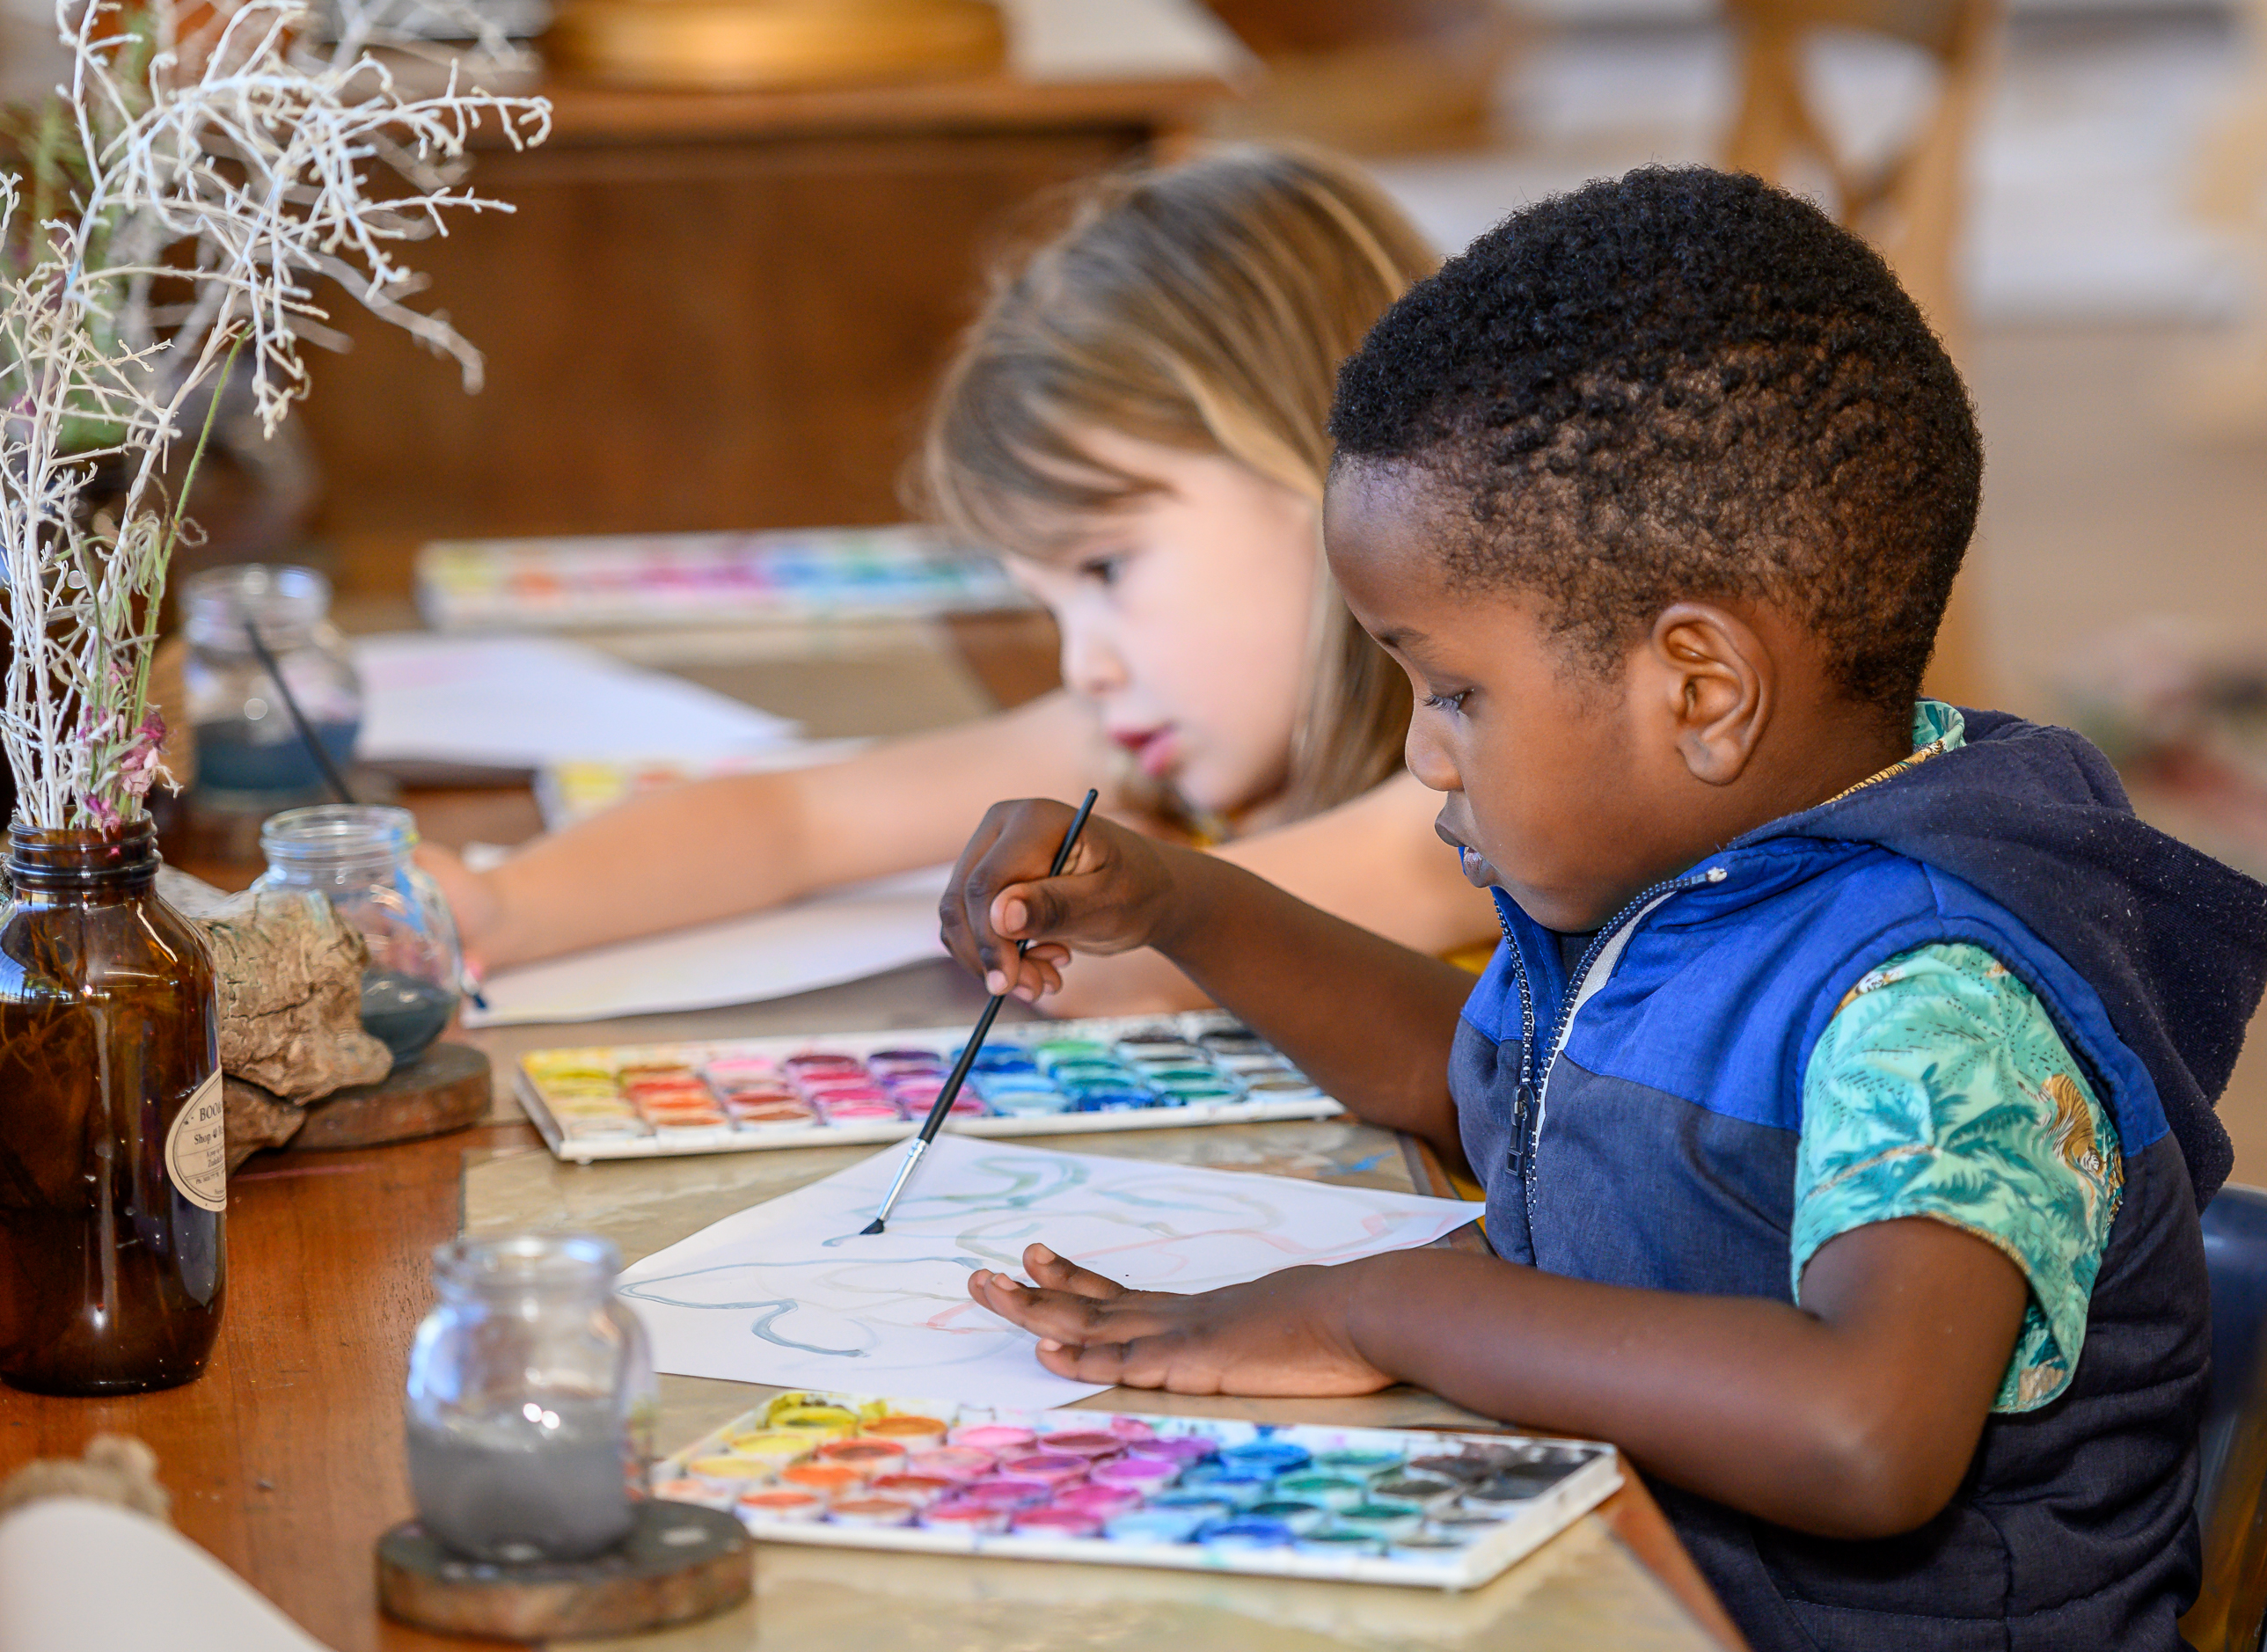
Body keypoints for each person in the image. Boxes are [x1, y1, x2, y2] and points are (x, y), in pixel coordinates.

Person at [940, 167, 2267, 1652]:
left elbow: (1865, 1430)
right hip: (1637, 1637)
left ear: (1699, 691)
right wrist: (1185, 904)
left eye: (1450, 692)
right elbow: (1488, 1088)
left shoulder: (1933, 999)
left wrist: (1380, 1309)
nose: (1424, 755)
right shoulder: (1689, 875)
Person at [426, 144, 1498, 1012]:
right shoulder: (1133, 734)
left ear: (1321, 470)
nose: (1087, 662)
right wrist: (506, 905)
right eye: (1052, 605)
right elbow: (799, 821)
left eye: (1108, 568)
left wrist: (1053, 923)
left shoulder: (1495, 793)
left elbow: (1145, 965)